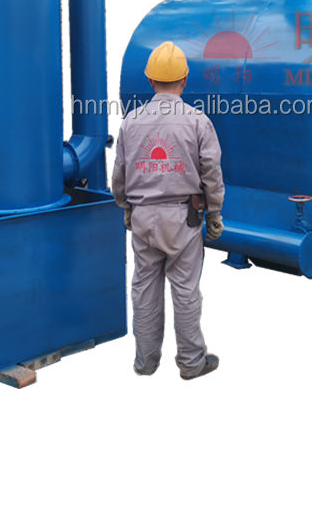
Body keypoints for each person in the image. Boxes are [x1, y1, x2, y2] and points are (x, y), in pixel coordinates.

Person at [111, 41, 225, 380]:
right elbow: (211, 173)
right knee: (186, 292)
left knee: (144, 291)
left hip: (143, 217)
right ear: (185, 80)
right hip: (182, 219)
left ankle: (145, 363)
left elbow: (119, 174)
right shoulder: (197, 121)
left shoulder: (131, 122)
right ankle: (191, 363)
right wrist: (215, 213)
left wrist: (126, 207)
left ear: (150, 81)